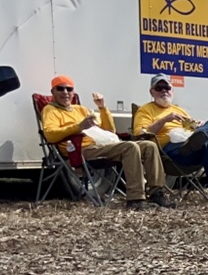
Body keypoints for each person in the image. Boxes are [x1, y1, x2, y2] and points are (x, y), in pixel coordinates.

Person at [41, 75, 174, 210]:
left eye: (69, 89)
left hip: (101, 145)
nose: (65, 92)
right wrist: (78, 127)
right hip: (80, 150)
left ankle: (157, 193)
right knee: (130, 146)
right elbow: (50, 135)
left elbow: (110, 130)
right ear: (53, 92)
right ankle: (136, 198)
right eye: (60, 89)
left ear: (73, 92)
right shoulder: (50, 110)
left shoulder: (81, 109)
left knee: (149, 146)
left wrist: (103, 108)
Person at [134, 74, 208, 207]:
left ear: (172, 90)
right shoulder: (145, 110)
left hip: (189, 146)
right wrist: (165, 119)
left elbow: (190, 127)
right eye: (159, 88)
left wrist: (198, 126)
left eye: (167, 87)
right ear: (151, 92)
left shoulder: (179, 110)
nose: (164, 91)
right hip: (168, 153)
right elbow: (140, 134)